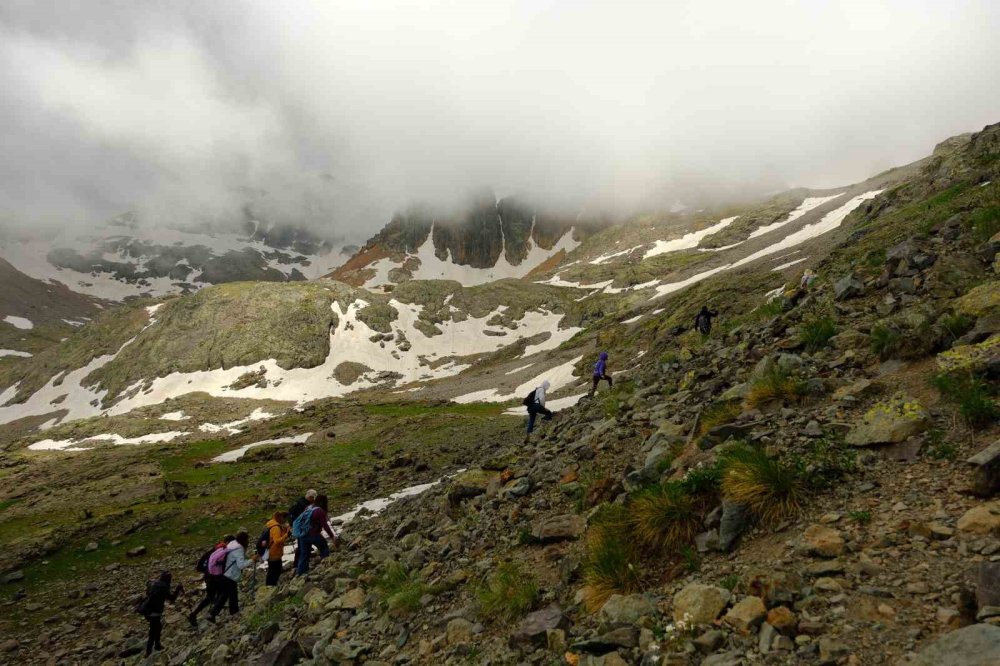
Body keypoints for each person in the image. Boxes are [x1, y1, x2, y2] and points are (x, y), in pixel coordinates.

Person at [188, 534, 234, 626]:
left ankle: (195, 614)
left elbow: (200, 565)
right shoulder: (221, 551)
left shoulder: (215, 549)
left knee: (210, 597)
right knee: (222, 594)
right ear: (228, 542)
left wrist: (207, 571)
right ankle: (211, 614)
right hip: (215, 578)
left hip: (209, 578)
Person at [208, 530, 254, 621]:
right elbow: (241, 565)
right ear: (244, 540)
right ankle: (233, 613)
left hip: (224, 574)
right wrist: (252, 559)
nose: (248, 542)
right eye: (247, 540)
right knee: (232, 595)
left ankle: (213, 614)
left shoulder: (232, 544)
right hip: (231, 576)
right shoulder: (239, 548)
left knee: (225, 595)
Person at [138, 571, 183, 657]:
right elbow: (172, 598)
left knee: (158, 627)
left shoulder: (156, 584)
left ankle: (157, 645)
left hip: (148, 610)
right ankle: (148, 652)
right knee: (153, 631)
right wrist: (178, 589)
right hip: (155, 612)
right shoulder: (164, 588)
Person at [296, 494, 337, 576]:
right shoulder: (319, 510)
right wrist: (332, 536)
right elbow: (325, 525)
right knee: (324, 546)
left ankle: (301, 572)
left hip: (303, 535)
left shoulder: (309, 507)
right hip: (313, 534)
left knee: (304, 554)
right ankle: (326, 566)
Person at [288, 489, 318, 572]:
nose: (314, 499)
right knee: (303, 547)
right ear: (310, 497)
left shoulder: (301, 502)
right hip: (302, 529)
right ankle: (300, 566)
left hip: (300, 528)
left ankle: (299, 564)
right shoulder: (302, 504)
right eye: (313, 497)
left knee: (302, 546)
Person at [264, 512, 291, 586]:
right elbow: (277, 541)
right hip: (274, 553)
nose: (284, 520)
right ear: (279, 517)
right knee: (275, 571)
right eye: (283, 518)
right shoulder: (276, 527)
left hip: (271, 552)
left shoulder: (271, 524)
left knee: (273, 571)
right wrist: (287, 535)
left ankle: (270, 586)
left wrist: (285, 530)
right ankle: (270, 587)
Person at [524, 380, 554, 444]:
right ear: (545, 385)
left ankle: (528, 435)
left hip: (530, 407)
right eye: (547, 386)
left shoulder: (537, 389)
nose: (547, 388)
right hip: (536, 406)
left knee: (531, 421)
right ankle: (544, 421)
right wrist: (543, 408)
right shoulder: (541, 390)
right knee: (549, 413)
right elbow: (542, 398)